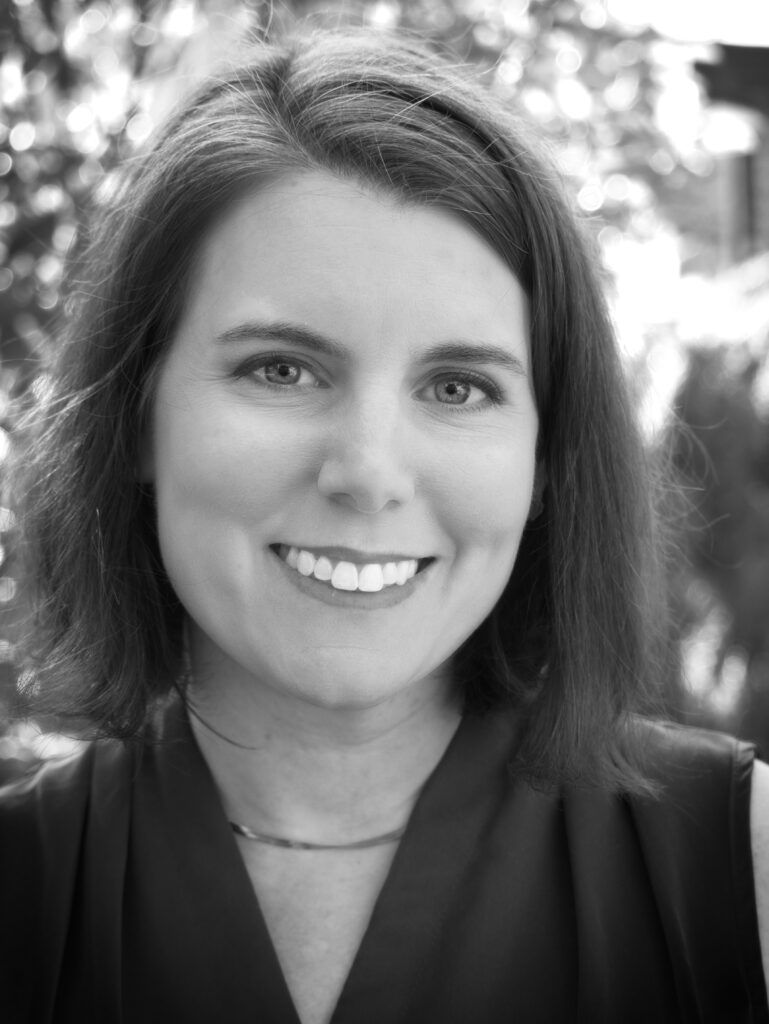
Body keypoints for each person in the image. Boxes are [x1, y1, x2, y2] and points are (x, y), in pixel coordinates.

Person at [1, 25, 768, 1024]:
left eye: (456, 385)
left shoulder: (739, 869)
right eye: (280, 367)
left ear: (545, 461)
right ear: (139, 418)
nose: (367, 473)